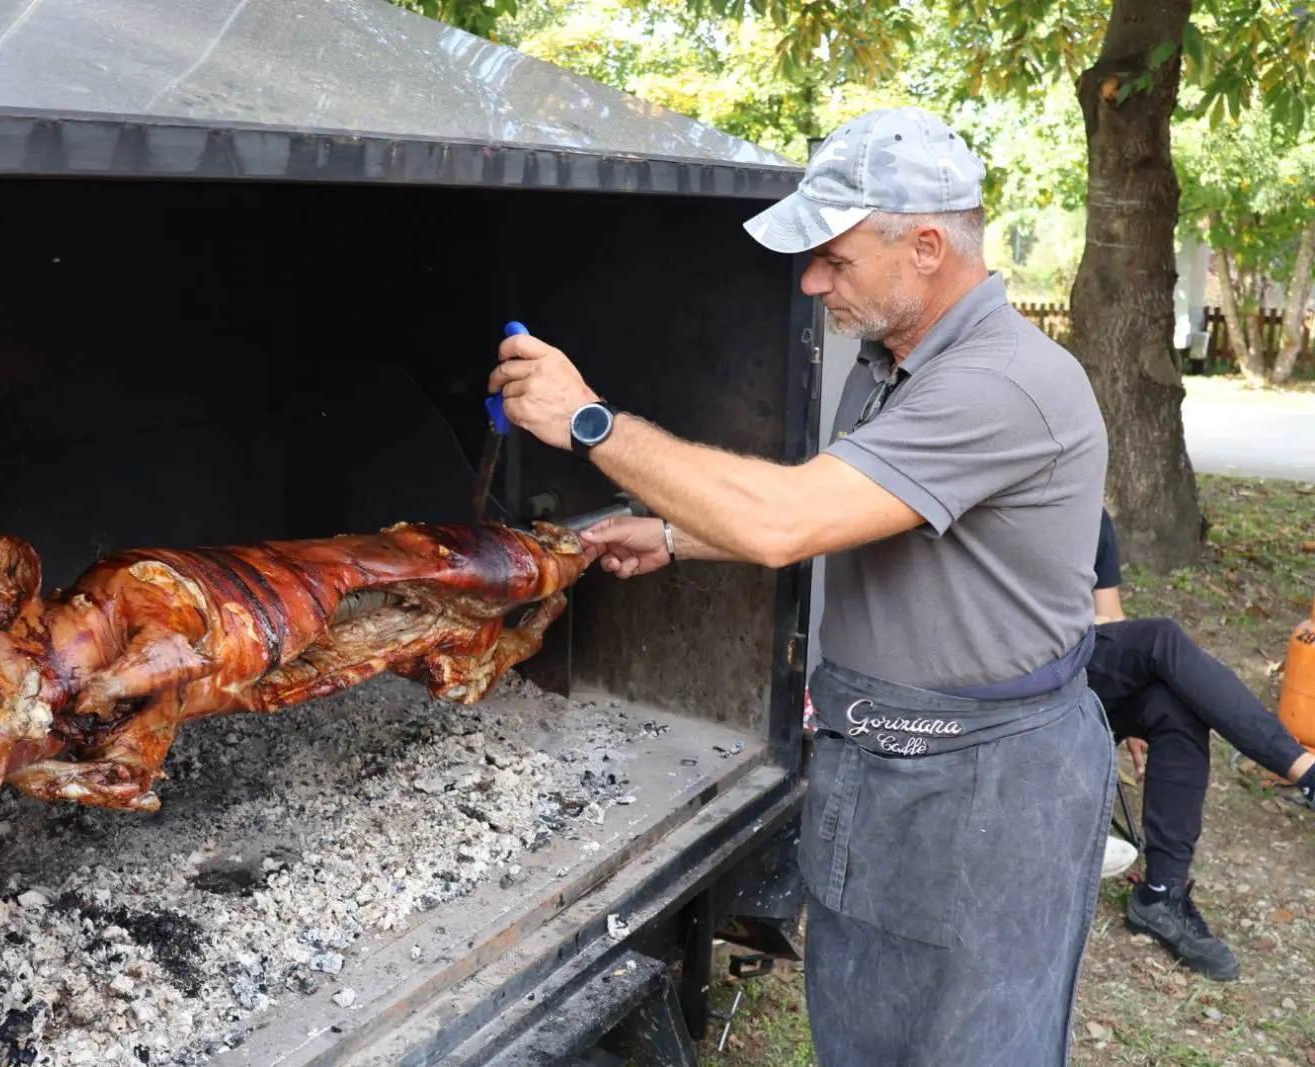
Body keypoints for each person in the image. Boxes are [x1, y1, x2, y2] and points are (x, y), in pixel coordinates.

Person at [488, 106, 1115, 1067]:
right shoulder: (895, 363)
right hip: (883, 763)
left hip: (990, 790)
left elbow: (786, 518)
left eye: (835, 257)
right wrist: (672, 534)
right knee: (865, 1032)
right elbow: (855, 514)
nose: (812, 281)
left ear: (929, 246)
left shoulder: (1005, 385)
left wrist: (590, 422)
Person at [1089, 507, 1315, 981]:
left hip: (1080, 666)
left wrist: (1124, 693)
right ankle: (1303, 769)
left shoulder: (1092, 513)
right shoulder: (1019, 496)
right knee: (1162, 638)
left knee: (1177, 706)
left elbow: (1107, 617)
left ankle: (1160, 894)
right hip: (1020, 665)